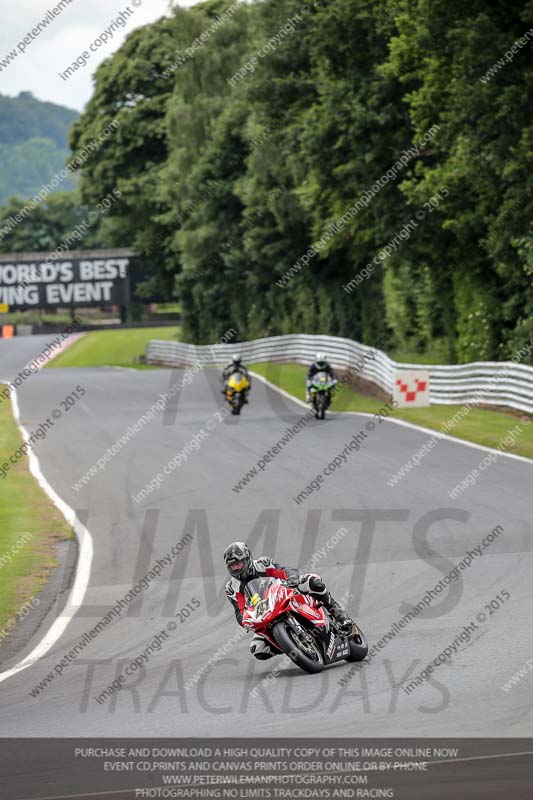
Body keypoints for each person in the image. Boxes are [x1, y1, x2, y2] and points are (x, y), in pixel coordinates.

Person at [224, 541, 355, 660]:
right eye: (232, 566)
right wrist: (245, 621)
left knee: (313, 582)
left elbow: (284, 571)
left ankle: (339, 615)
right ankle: (290, 642)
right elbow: (239, 610)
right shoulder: (231, 587)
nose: (236, 568)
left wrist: (292, 578)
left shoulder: (262, 564)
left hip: (286, 593)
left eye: (238, 564)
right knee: (258, 649)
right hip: (263, 612)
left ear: (247, 559)